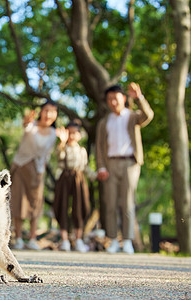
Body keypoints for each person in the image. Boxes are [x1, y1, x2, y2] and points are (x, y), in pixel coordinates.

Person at [96, 82, 154, 254]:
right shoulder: (104, 122)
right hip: (110, 164)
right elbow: (99, 146)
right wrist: (101, 167)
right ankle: (113, 239)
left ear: (123, 98)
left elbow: (148, 115)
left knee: (127, 201)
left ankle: (127, 240)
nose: (113, 102)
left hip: (130, 163)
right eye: (109, 99)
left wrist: (139, 98)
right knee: (110, 202)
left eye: (116, 98)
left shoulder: (132, 116)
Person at [10, 100, 58, 250]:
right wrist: (26, 121)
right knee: (18, 202)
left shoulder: (54, 134)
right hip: (21, 166)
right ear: (40, 112)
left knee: (35, 204)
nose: (48, 114)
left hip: (38, 171)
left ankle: (32, 239)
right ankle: (18, 238)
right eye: (46, 110)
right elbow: (26, 126)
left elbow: (48, 154)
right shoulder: (31, 127)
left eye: (52, 111)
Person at [54, 120, 95, 252]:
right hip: (65, 178)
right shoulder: (62, 148)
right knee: (63, 206)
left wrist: (94, 175)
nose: (71, 136)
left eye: (74, 133)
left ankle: (78, 239)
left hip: (78, 178)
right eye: (69, 133)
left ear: (79, 135)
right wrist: (62, 142)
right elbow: (59, 158)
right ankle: (65, 239)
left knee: (79, 206)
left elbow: (85, 166)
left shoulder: (82, 150)